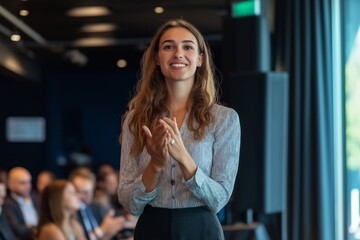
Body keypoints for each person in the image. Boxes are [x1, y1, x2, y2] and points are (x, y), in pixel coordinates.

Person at [117, 19, 241, 240]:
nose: (178, 53)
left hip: (202, 230)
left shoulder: (224, 119)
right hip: (151, 230)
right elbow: (129, 204)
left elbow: (219, 199)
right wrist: (155, 164)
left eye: (188, 47)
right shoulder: (135, 120)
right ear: (157, 58)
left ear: (200, 59)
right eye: (168, 46)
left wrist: (184, 159)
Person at [69, 167, 126, 240]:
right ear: (72, 190)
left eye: (91, 190)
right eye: (84, 192)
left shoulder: (94, 208)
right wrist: (102, 230)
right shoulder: (72, 214)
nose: (89, 195)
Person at [3, 167, 38, 240]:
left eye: (29, 182)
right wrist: (38, 227)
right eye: (23, 183)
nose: (28, 186)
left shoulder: (36, 198)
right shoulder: (7, 204)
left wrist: (30, 226)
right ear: (11, 184)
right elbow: (18, 230)